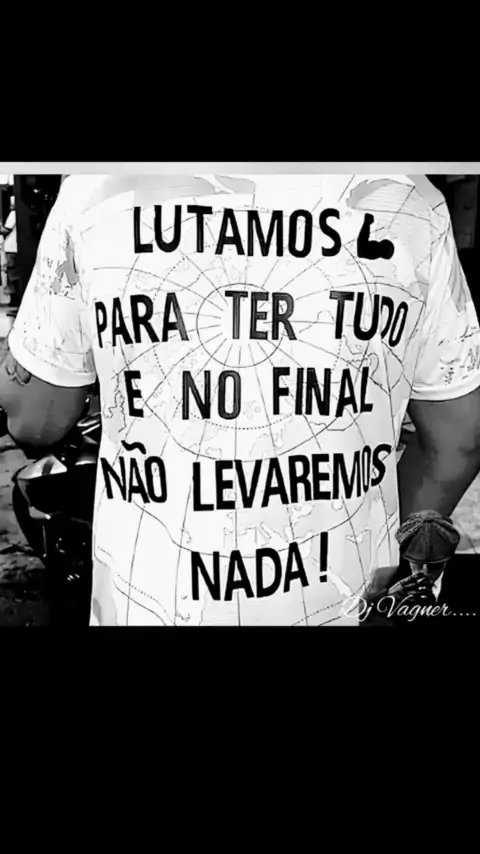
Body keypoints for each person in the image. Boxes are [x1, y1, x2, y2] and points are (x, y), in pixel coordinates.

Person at [1, 171, 480, 627]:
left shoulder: (96, 192)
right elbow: (459, 440)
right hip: (345, 600)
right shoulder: (410, 201)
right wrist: (381, 552)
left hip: (152, 606)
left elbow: (34, 420)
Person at [0, 196, 20, 315]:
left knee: (12, 274)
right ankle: (15, 299)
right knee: (14, 273)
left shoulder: (13, 214)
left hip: (11, 248)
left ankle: (15, 299)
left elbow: (6, 230)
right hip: (15, 247)